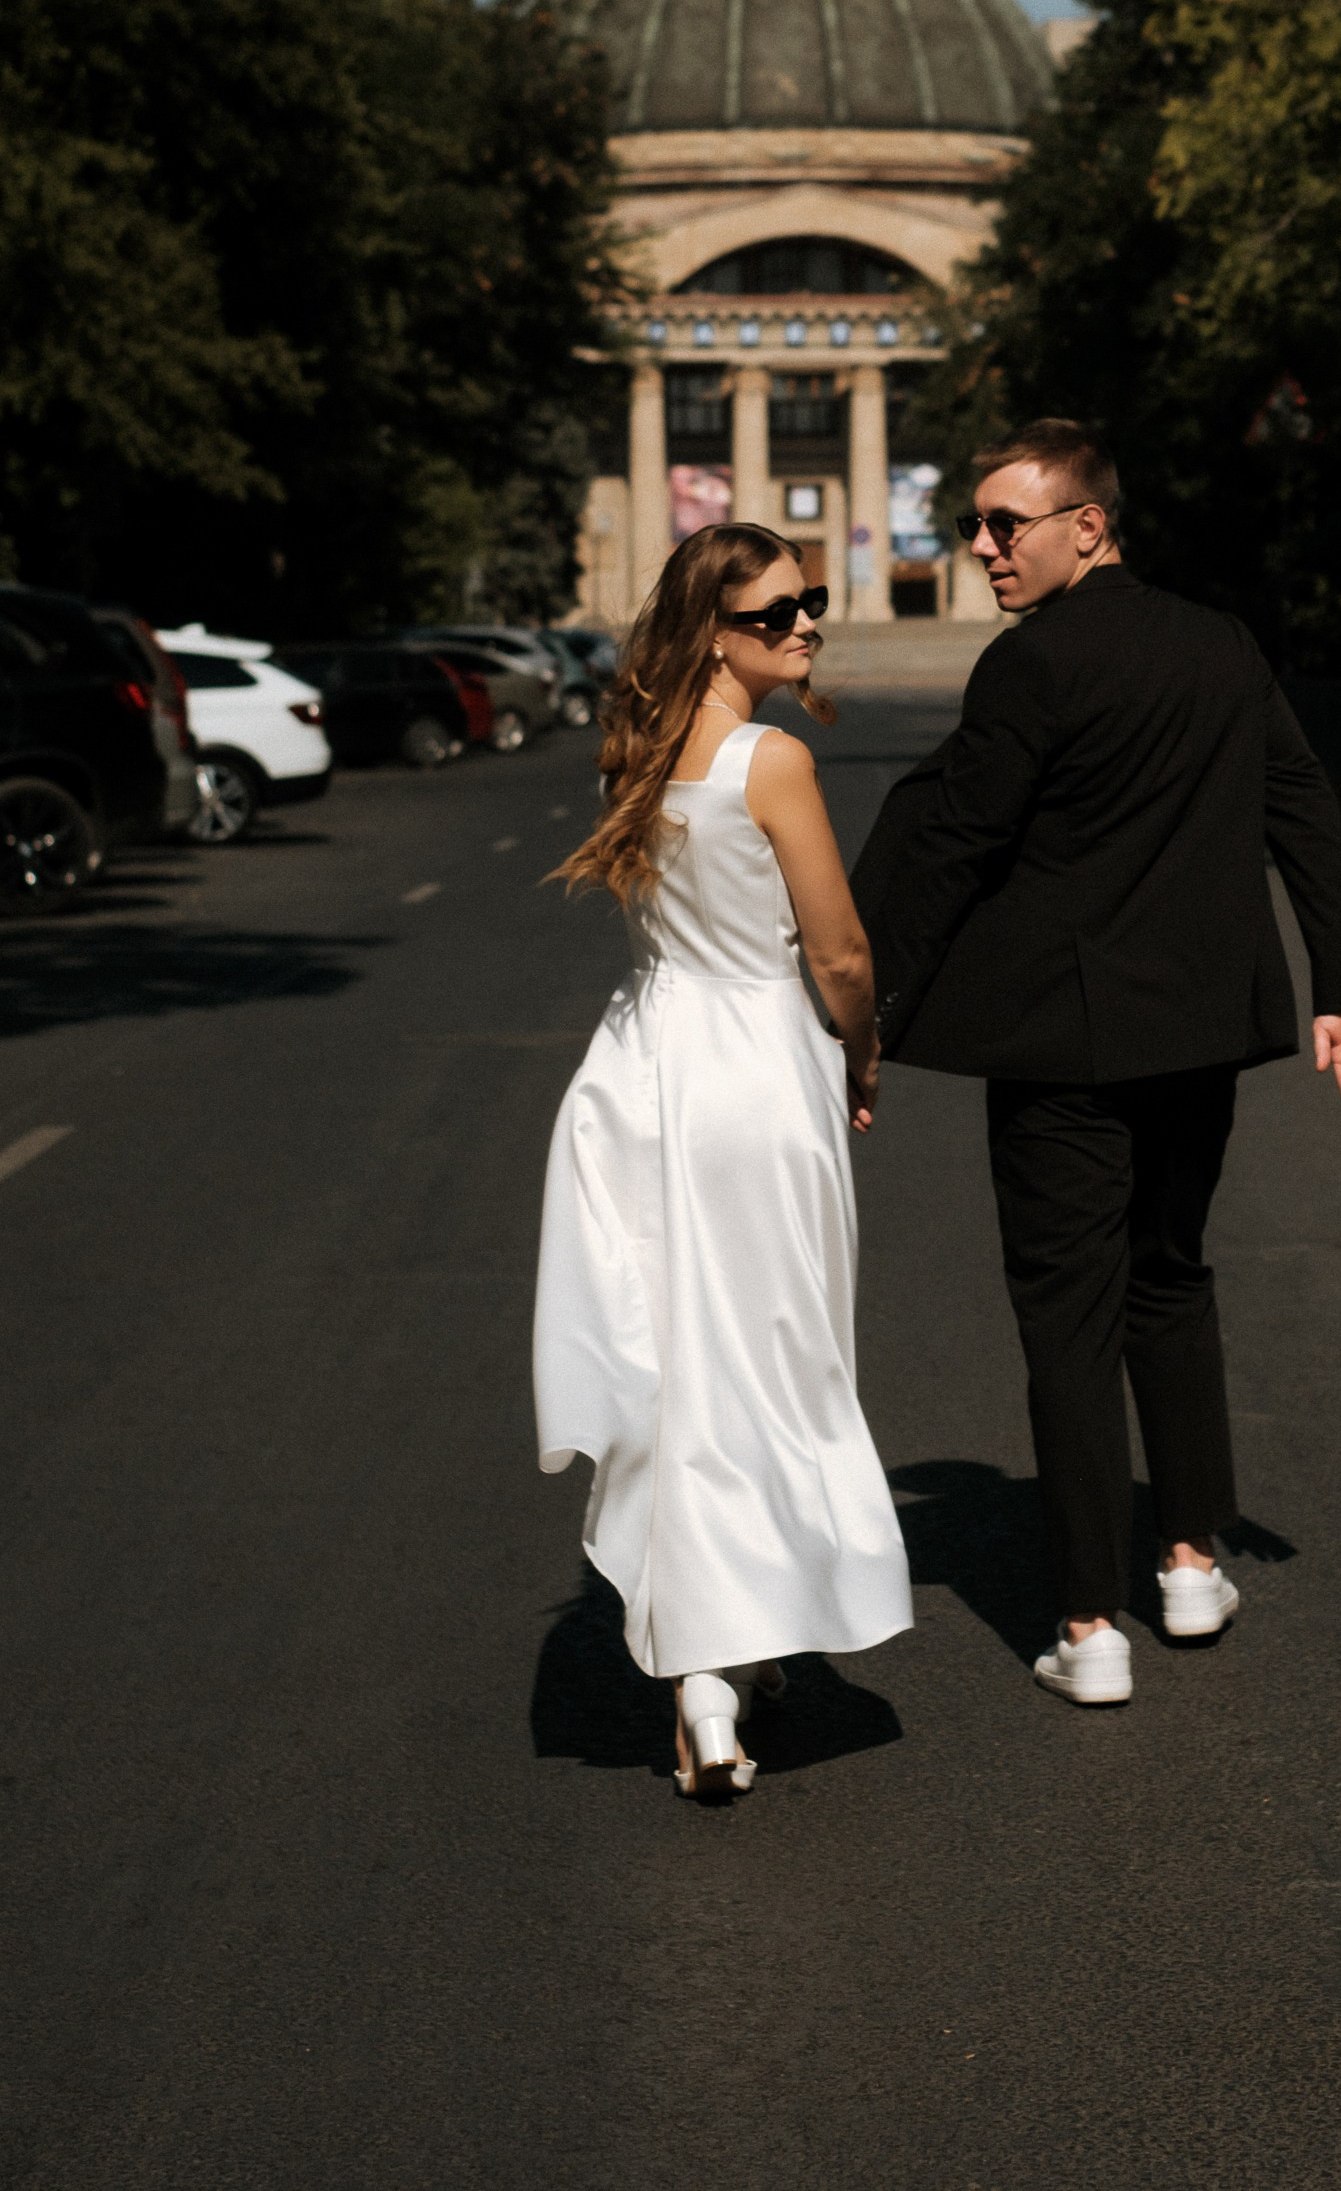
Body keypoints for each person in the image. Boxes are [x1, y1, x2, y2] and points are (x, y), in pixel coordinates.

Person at [854, 419, 1341, 1707]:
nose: (980, 547)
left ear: (1085, 525)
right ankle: (1191, 1563)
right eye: (972, 526)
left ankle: (1089, 1626)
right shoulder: (1219, 643)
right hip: (1196, 1035)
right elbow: (1299, 802)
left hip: (1061, 1046)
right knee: (1169, 1279)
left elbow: (954, 847)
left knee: (1067, 1319)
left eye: (1004, 524)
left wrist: (864, 1013)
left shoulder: (1030, 663)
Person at [533, 522, 912, 1800]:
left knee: (679, 1371)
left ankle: (709, 1678)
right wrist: (862, 1051)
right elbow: (839, 952)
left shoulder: (634, 752)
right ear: (711, 634)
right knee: (779, 1361)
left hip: (640, 1069)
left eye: (809, 603)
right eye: (774, 614)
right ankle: (732, 1648)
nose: (806, 626)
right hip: (755, 1071)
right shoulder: (772, 759)